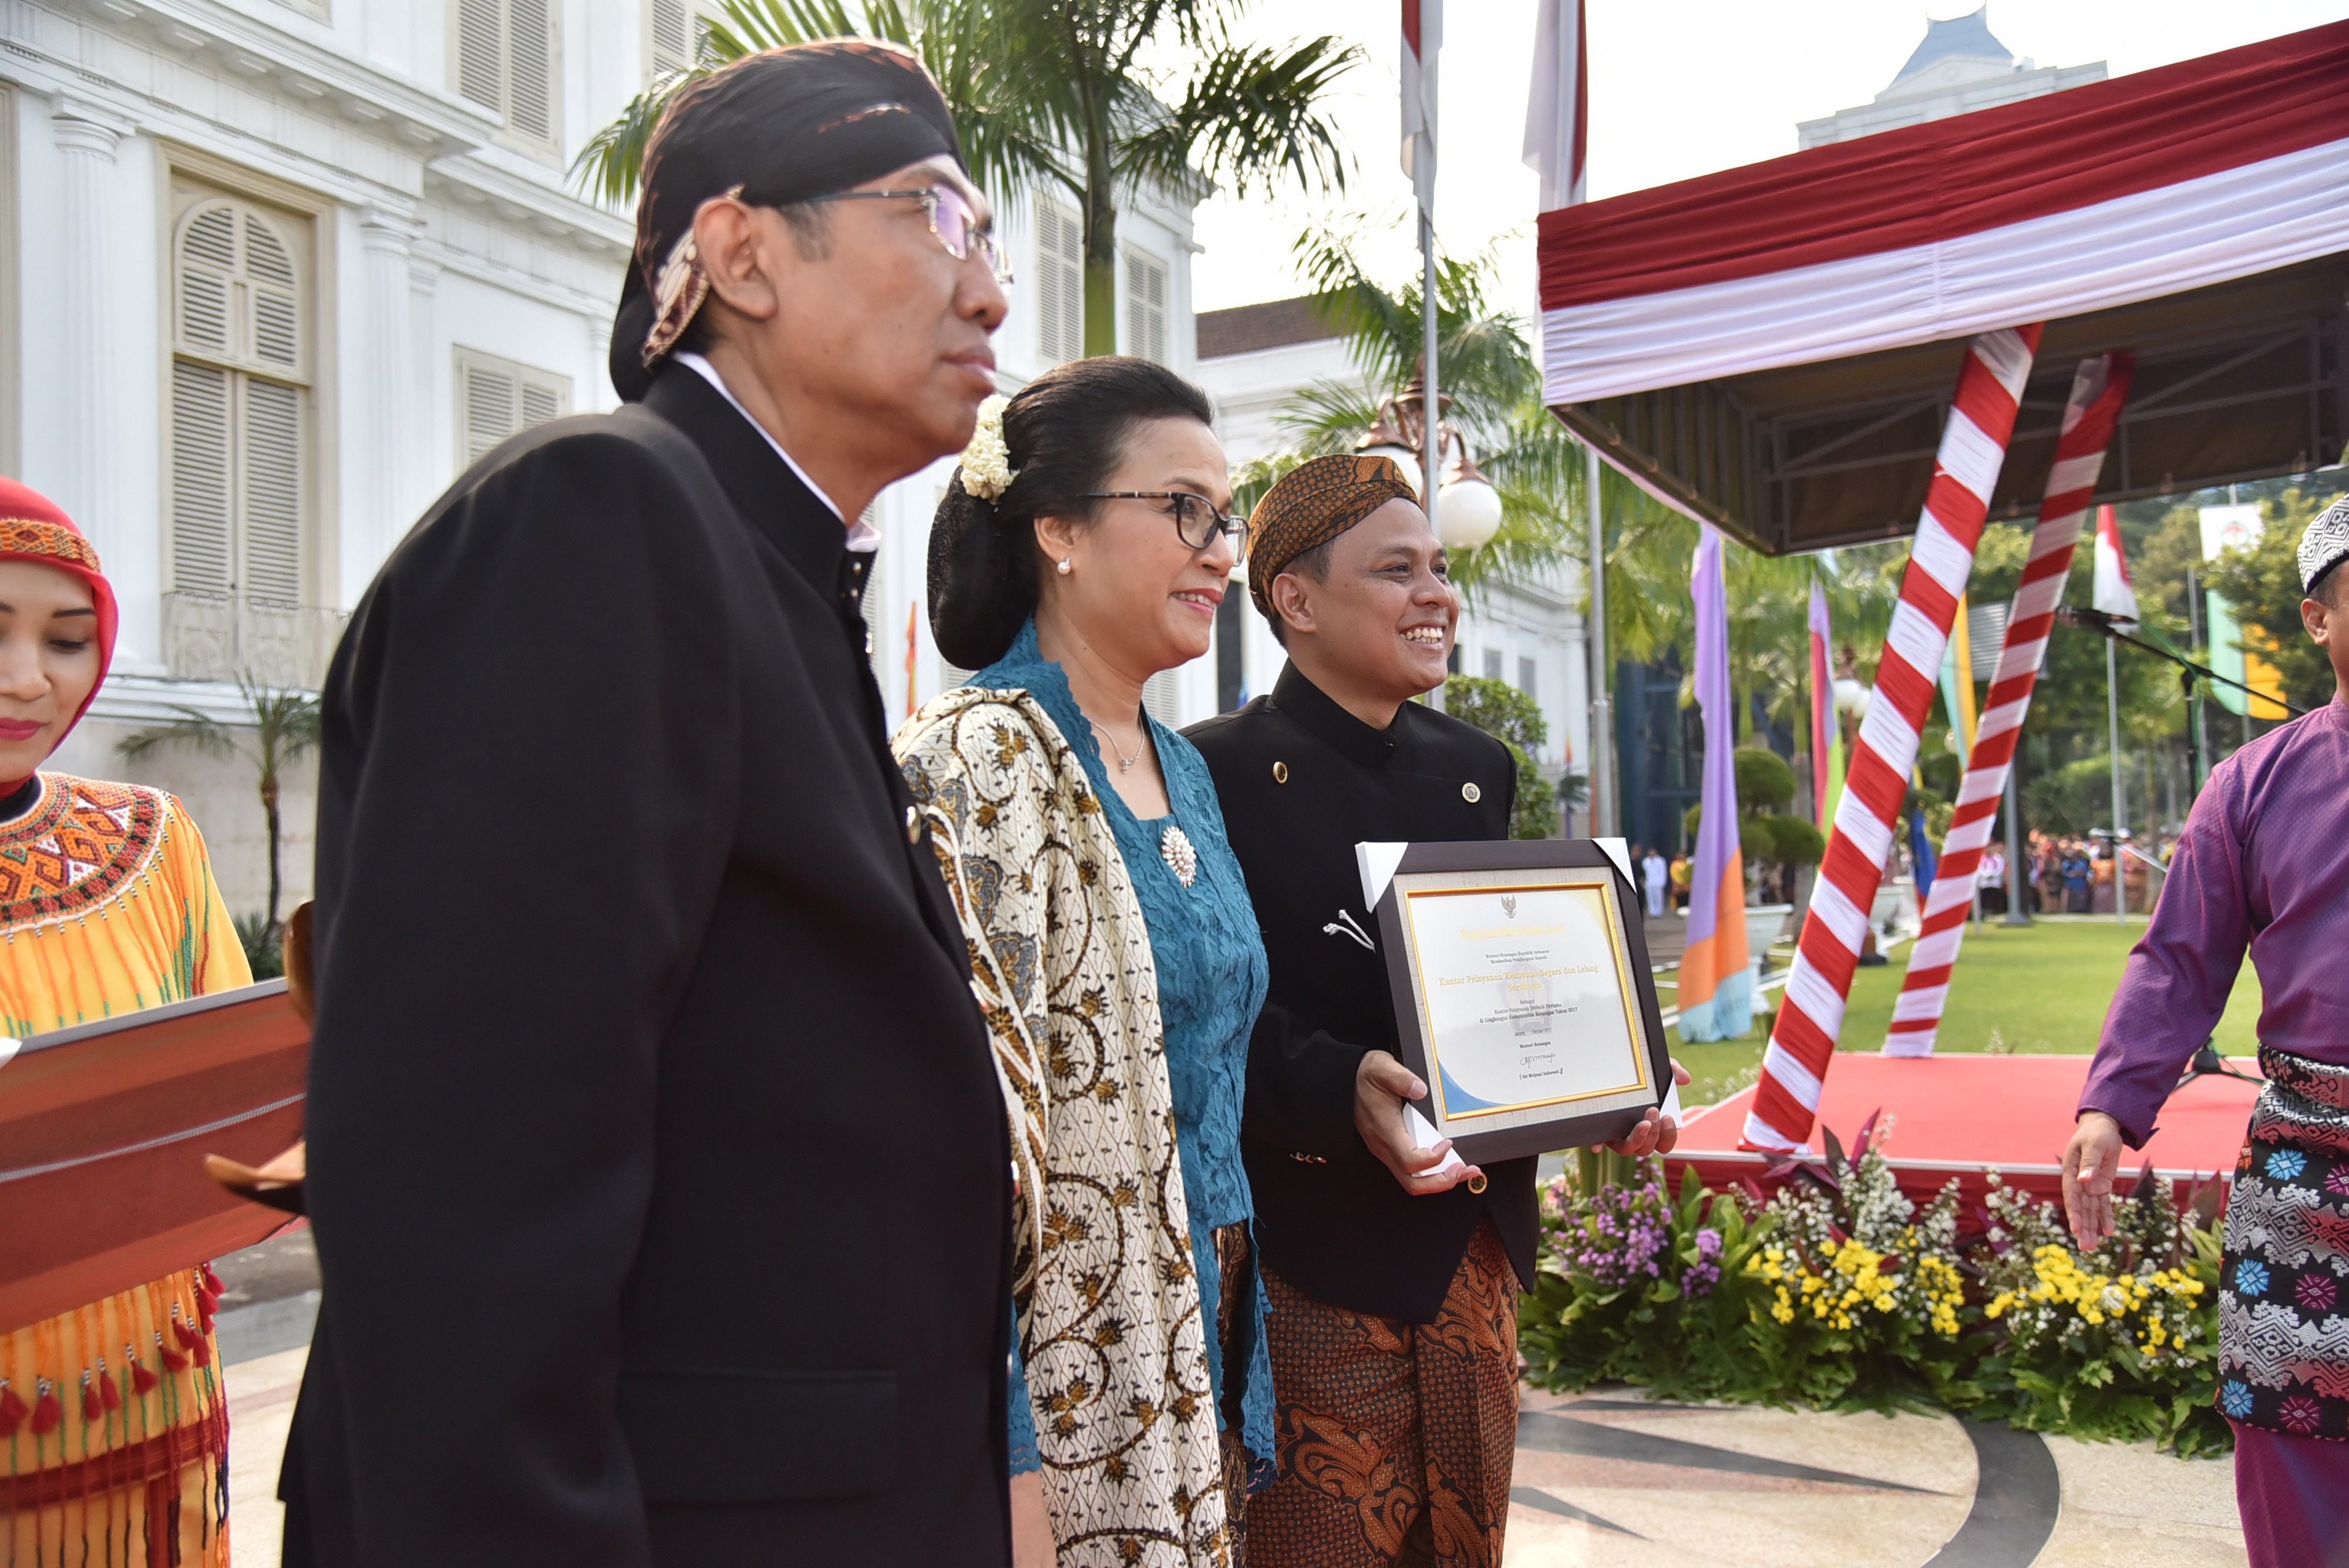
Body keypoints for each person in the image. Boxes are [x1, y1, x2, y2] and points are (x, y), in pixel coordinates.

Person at [281, 43, 1014, 1566]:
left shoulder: (785, 580)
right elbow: (468, 1206)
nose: (992, 294)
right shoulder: (601, 517)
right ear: (743, 251)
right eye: (941, 221)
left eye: (990, 242)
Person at [1184, 455, 1685, 1568]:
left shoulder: (1476, 767)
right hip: (1316, 1262)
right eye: (1397, 569)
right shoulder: (1207, 773)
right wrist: (1336, 1086)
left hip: (1472, 1246)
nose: (1439, 595)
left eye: (1443, 568)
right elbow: (1204, 1020)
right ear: (1296, 599)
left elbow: (1497, 984)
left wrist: (1605, 1071)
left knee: (1465, 1548)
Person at [897, 358, 1270, 1566]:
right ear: (1055, 528)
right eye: (1182, 510)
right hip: (1065, 1381)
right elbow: (959, 1159)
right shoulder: (981, 763)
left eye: (1226, 516)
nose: (1220, 550)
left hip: (1201, 1338)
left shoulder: (1185, 767)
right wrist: (1010, 1464)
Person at [2063, 496, 2349, 1567]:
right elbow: (2180, 958)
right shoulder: (2254, 785)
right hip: (2310, 1158)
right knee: (2288, 1430)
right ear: (2320, 619)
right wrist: (2109, 1104)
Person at [0, 479, 253, 1564]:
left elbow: (236, 1102)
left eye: (66, 640)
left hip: (149, 1411)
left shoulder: (153, 841)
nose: (27, 679)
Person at [1643, 843, 1668, 918]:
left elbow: (1663, 872)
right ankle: (1652, 913)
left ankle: (1659, 912)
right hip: (1649, 882)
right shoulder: (1645, 861)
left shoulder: (1661, 861)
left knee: (1658, 898)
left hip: (1658, 882)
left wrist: (1663, 882)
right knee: (1650, 898)